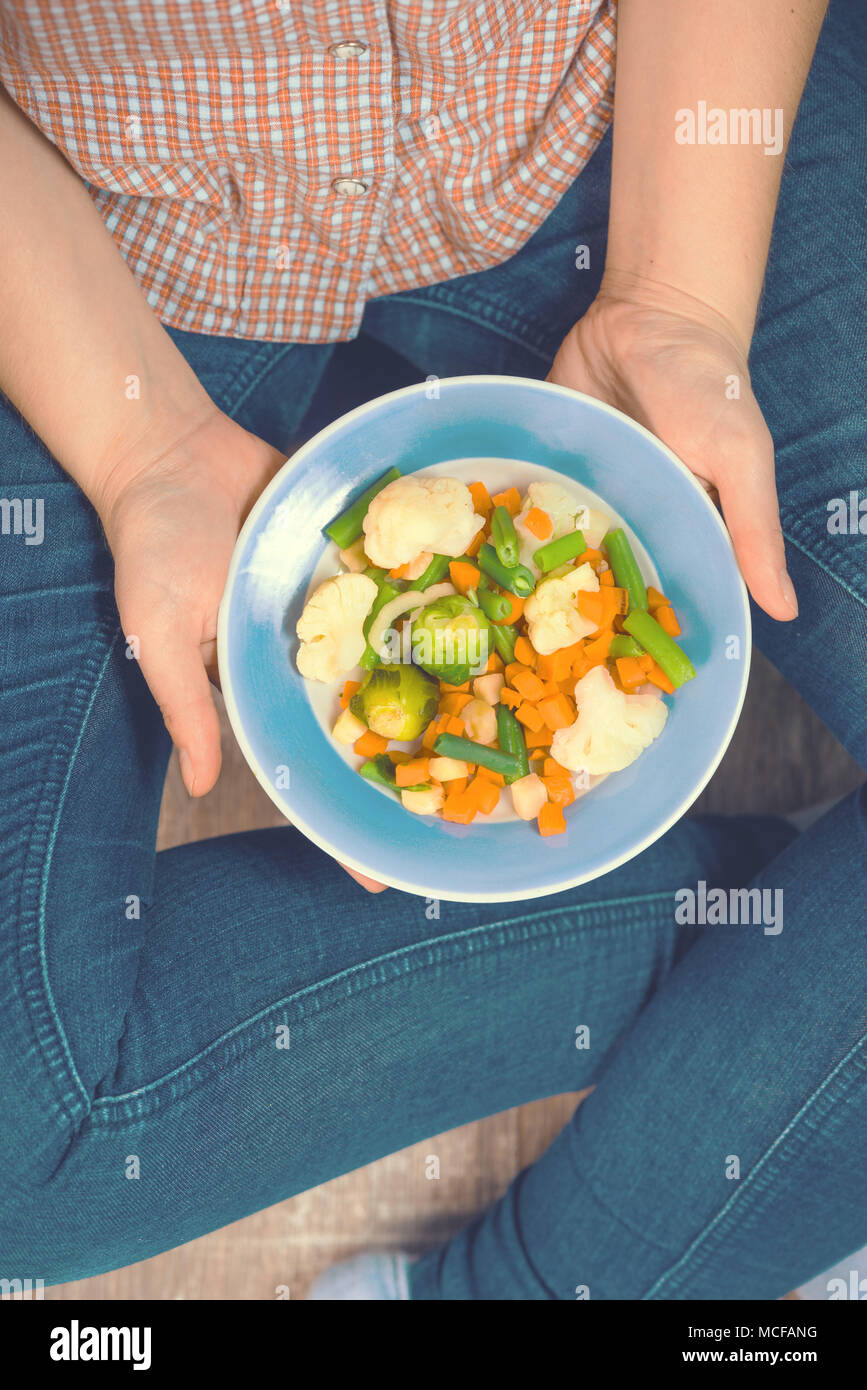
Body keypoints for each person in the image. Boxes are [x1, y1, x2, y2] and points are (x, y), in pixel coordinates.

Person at [0, 0, 864, 1300]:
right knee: (26, 1150)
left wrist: (679, 298)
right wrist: (141, 451)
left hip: (619, 119)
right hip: (98, 239)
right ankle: (789, 946)